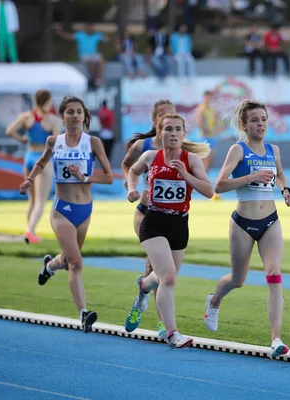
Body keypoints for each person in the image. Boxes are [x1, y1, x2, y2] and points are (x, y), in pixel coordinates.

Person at [203, 99, 290, 358]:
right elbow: (218, 186)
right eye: (255, 120)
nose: (261, 124)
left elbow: (280, 174)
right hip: (242, 223)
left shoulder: (273, 150)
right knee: (237, 279)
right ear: (244, 125)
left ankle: (276, 338)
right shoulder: (238, 150)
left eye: (264, 120)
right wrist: (251, 177)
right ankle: (214, 301)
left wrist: (286, 191)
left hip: (270, 221)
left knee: (274, 274)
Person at [19, 95, 114, 332]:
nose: (74, 116)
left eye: (78, 111)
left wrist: (85, 177)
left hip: (85, 210)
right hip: (62, 210)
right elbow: (41, 162)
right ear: (61, 116)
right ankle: (84, 314)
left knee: (69, 259)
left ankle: (50, 266)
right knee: (76, 262)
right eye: (69, 112)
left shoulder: (93, 143)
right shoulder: (54, 141)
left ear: (84, 116)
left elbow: (109, 177)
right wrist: (29, 180)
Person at [124, 113, 213, 348]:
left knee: (163, 276)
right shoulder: (150, 156)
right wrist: (131, 188)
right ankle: (173, 333)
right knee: (169, 278)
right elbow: (132, 171)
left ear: (184, 134)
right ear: (160, 133)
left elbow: (208, 190)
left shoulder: (192, 160)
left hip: (179, 225)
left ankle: (143, 286)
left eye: (177, 130)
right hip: (153, 222)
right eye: (168, 129)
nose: (173, 134)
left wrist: (185, 174)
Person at [121, 99, 176, 340]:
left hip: (172, 217)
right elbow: (126, 165)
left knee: (160, 269)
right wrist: (130, 183)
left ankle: (143, 290)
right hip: (145, 211)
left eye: (173, 117)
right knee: (159, 268)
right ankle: (163, 323)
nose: (170, 123)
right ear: (155, 121)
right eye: (164, 117)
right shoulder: (142, 146)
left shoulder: (181, 146)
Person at [6, 90, 62, 244]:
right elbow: (56, 143)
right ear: (48, 101)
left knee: (32, 200)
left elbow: (9, 131)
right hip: (42, 159)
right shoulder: (52, 120)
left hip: (29, 157)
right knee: (40, 201)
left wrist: (22, 139)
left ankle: (30, 231)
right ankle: (30, 232)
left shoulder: (27, 117)